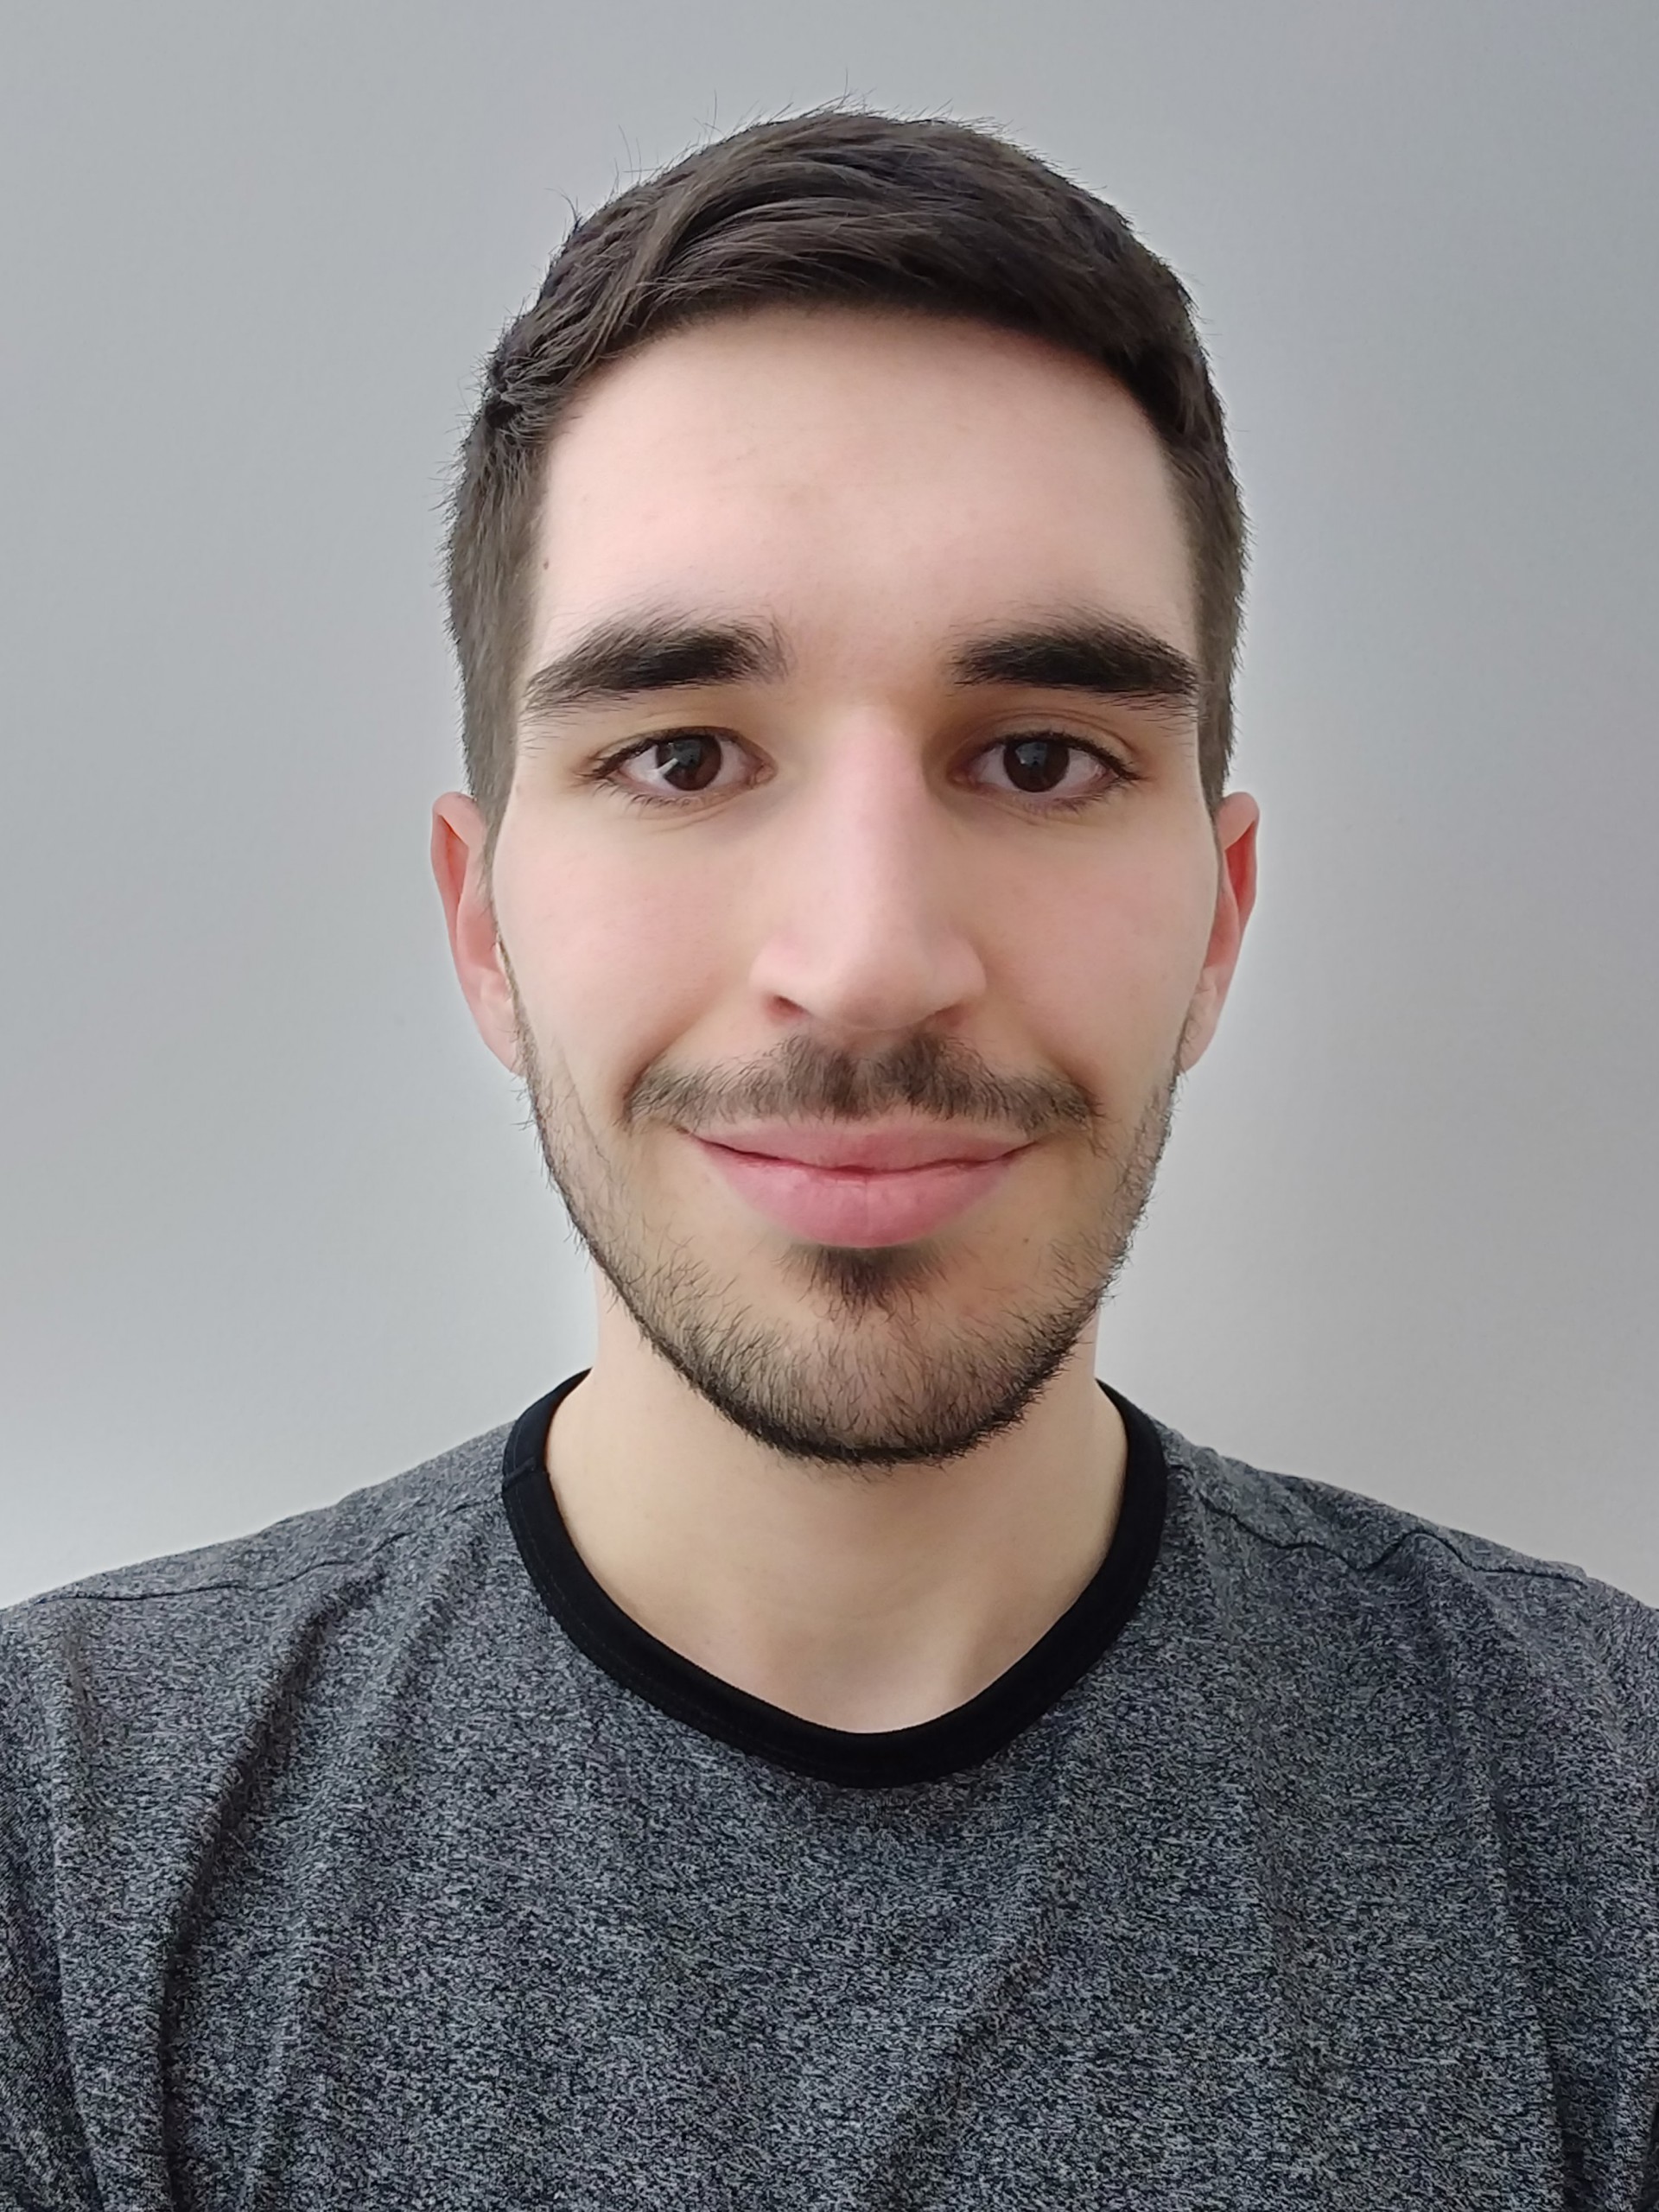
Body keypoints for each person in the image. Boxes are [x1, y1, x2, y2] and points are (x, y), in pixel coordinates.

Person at [2, 108, 1654, 2212]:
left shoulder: (1607, 1817)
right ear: (484, 924)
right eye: (683, 754)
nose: (869, 958)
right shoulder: (61, 1843)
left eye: (1040, 756)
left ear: (1221, 921)